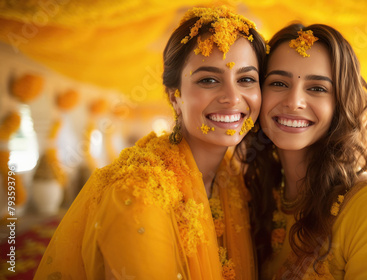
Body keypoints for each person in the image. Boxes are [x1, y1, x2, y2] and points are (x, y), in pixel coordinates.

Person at [35, 6, 266, 280]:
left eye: (247, 79)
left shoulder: (234, 178)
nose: (232, 96)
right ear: (174, 98)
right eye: (208, 80)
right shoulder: (139, 193)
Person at [238, 23, 367, 279]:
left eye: (317, 88)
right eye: (278, 83)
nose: (294, 101)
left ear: (340, 104)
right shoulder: (257, 194)